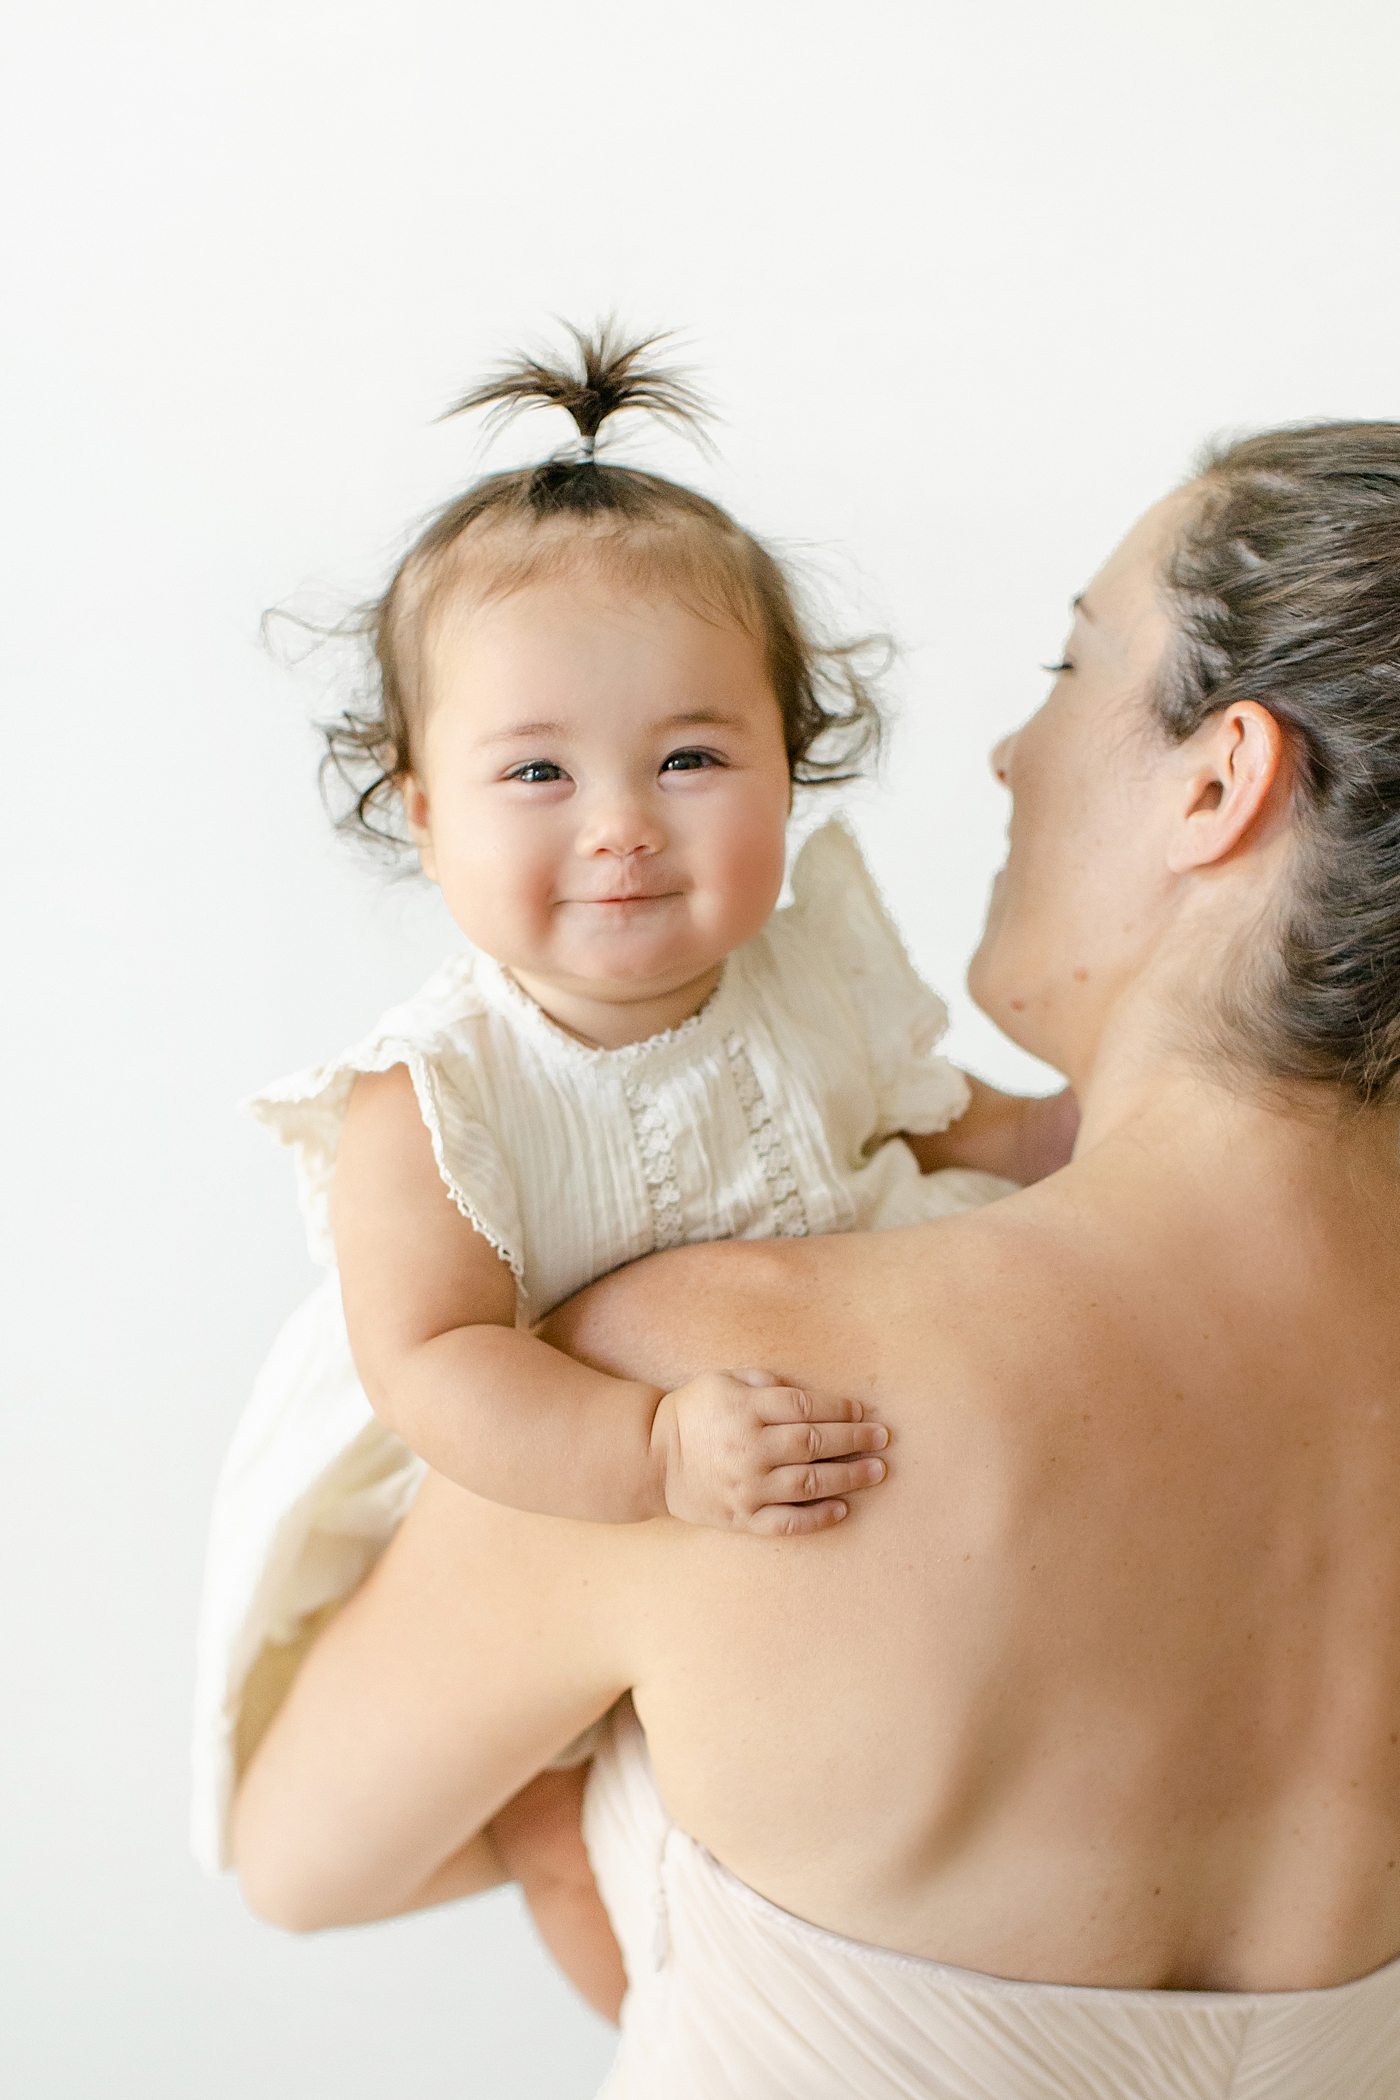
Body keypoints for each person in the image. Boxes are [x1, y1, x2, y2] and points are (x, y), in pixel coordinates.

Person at [230, 420, 1400, 2094]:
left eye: (1070, 663)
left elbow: (302, 1858)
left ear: (1219, 782)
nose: (1006, 753)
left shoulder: (717, 1380)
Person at [190, 327, 1071, 1976]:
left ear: (788, 771)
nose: (621, 823)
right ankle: (596, 1923)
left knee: (762, 1863)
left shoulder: (813, 979)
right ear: (420, 812)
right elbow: (435, 1362)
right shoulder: (432, 1099)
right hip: (549, 1495)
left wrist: (1077, 1133)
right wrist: (652, 1450)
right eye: (536, 771)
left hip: (796, 1514)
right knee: (587, 1842)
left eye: (691, 756)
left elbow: (943, 1118)